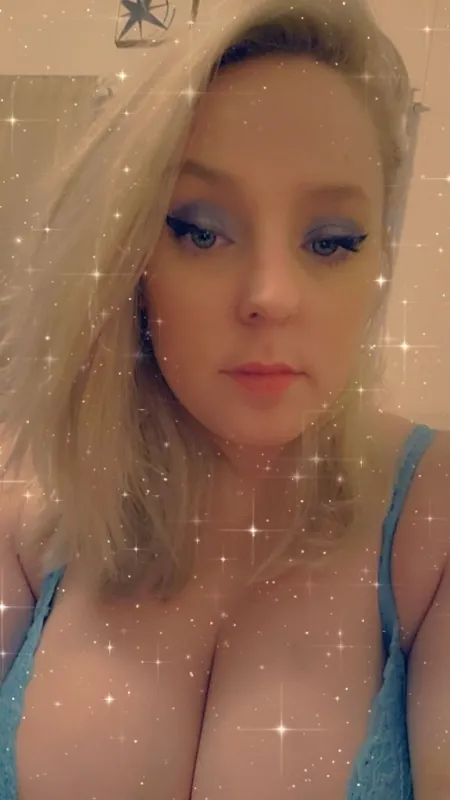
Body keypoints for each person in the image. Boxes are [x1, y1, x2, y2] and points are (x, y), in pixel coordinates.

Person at [0, 0, 449, 797]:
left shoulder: (431, 525)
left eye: (331, 241)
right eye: (202, 231)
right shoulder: (27, 505)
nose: (271, 296)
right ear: (131, 256)